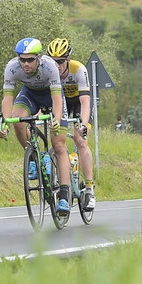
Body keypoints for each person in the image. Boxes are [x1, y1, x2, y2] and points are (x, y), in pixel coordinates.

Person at [0, 37, 71, 216]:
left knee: (59, 144)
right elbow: (7, 99)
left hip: (51, 95)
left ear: (38, 58)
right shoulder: (12, 67)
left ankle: (63, 195)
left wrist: (56, 119)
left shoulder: (49, 66)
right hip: (29, 94)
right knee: (17, 118)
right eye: (22, 59)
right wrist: (5, 122)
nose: (26, 63)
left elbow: (56, 99)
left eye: (30, 59)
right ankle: (33, 157)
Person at [46, 38, 96, 211]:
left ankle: (89, 189)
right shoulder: (48, 72)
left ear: (68, 59)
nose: (56, 65)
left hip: (78, 103)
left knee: (80, 141)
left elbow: (85, 103)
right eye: (52, 61)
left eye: (60, 61)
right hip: (59, 102)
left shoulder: (78, 69)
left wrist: (83, 124)